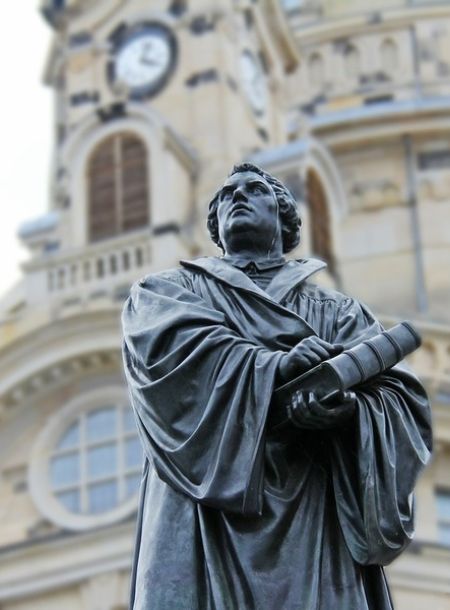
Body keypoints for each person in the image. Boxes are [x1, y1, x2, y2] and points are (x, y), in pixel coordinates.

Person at [122, 163, 432, 610]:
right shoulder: (167, 292)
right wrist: (273, 366)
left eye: (254, 190)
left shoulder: (339, 311)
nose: (238, 197)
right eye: (226, 195)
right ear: (216, 225)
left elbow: (399, 398)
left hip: (313, 507)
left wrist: (346, 411)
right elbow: (169, 351)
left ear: (285, 217)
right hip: (203, 511)